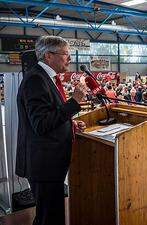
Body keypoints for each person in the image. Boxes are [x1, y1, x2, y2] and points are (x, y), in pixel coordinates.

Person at [16, 36, 87, 225]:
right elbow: (41, 124)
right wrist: (74, 102)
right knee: (49, 217)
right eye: (65, 54)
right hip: (44, 163)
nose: (70, 59)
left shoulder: (46, 78)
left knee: (50, 215)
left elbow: (50, 115)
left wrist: (71, 124)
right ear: (48, 55)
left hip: (49, 162)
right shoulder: (36, 80)